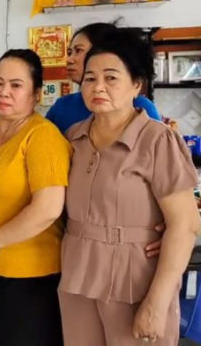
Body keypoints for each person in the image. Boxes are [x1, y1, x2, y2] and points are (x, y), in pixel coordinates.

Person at [58, 28, 200, 345]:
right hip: (77, 272)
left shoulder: (156, 139)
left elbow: (185, 225)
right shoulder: (73, 138)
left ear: (136, 84)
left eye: (111, 78)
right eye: (90, 78)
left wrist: (157, 302)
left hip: (135, 276)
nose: (98, 87)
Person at [0, 49, 70, 346]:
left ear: (35, 94)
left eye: (16, 85)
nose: (4, 91)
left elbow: (48, 208)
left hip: (28, 276)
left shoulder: (43, 137)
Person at [46, 22, 161, 134]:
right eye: (70, 52)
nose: (69, 59)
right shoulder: (62, 107)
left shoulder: (142, 108)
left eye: (78, 50)